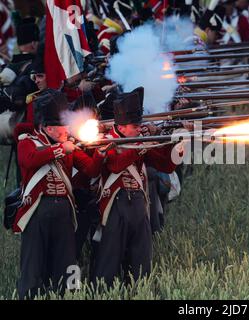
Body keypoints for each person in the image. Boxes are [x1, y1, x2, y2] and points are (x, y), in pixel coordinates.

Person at [14, 89, 108, 299]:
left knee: (66, 260)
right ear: (48, 128)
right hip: (37, 209)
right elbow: (29, 159)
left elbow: (91, 170)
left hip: (64, 210)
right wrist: (59, 150)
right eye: (63, 125)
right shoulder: (27, 141)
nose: (68, 128)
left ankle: (67, 294)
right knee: (33, 262)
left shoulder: (68, 145)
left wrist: (100, 154)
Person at [93, 87, 178, 286]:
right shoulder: (105, 142)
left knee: (141, 261)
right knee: (109, 262)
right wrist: (142, 146)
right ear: (121, 127)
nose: (139, 129)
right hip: (115, 204)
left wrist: (169, 142)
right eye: (135, 126)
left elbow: (166, 165)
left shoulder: (139, 141)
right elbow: (115, 165)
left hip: (139, 204)